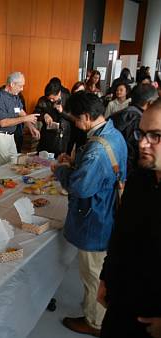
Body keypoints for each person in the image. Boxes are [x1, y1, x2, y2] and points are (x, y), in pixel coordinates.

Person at [52, 91, 127, 337]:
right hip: (108, 212)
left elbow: (79, 187)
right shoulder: (113, 134)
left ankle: (95, 322)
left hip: (95, 219)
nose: (75, 124)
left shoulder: (96, 151)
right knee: (97, 270)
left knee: (93, 274)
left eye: (76, 119)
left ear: (86, 116)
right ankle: (95, 313)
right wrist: (75, 164)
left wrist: (62, 169)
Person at [98, 98, 161, 338]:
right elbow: (120, 235)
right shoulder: (139, 179)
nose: (143, 143)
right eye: (141, 133)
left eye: (155, 136)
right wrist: (105, 277)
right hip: (121, 303)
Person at [0, 72, 39, 167]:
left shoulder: (14, 96)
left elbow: (20, 111)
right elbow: (3, 123)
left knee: (14, 164)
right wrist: (25, 118)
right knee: (5, 167)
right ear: (12, 84)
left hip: (10, 136)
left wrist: (31, 126)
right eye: (20, 86)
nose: (22, 89)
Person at [112, 84, 158, 178]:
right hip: (125, 174)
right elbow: (133, 153)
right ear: (150, 103)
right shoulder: (140, 121)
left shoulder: (118, 114)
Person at [35, 80, 71, 157]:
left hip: (63, 137)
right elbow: (35, 113)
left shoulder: (68, 98)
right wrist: (44, 115)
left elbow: (73, 117)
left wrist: (62, 112)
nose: (51, 101)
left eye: (53, 98)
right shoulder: (43, 100)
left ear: (59, 93)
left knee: (60, 161)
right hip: (47, 136)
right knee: (43, 160)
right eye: (49, 99)